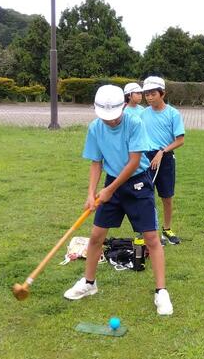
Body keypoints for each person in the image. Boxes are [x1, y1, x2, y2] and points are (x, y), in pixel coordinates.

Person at [63, 84, 173, 316]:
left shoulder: (134, 123)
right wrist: (91, 193)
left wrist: (109, 190)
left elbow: (134, 161)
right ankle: (89, 283)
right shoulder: (95, 128)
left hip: (137, 183)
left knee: (151, 238)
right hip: (111, 182)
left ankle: (161, 291)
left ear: (123, 106)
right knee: (96, 236)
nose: (110, 121)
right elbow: (96, 162)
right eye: (105, 117)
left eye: (114, 116)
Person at [140, 76, 185, 245]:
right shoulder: (143, 114)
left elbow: (180, 140)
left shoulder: (173, 114)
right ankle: (150, 231)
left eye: (153, 94)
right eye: (147, 94)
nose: (149, 98)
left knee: (167, 196)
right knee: (146, 196)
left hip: (165, 158)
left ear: (162, 94)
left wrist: (162, 151)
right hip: (146, 158)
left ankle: (167, 229)